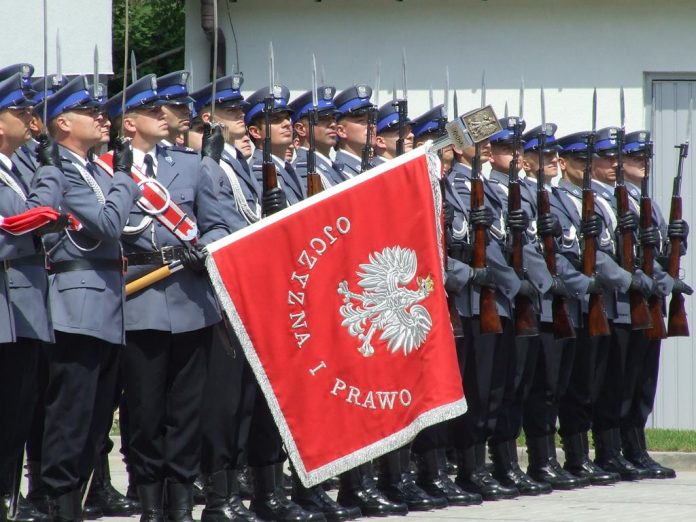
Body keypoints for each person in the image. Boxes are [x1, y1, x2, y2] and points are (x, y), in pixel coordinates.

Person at [103, 74, 229, 522]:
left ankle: (180, 502)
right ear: (129, 123)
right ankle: (150, 501)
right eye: (153, 111)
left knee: (187, 409)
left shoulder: (190, 165)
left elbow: (217, 223)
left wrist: (207, 246)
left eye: (164, 109)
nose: (165, 116)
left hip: (191, 301)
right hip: (139, 301)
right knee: (144, 409)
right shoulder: (109, 168)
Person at [39, 75, 141, 522]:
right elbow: (107, 224)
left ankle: (77, 497)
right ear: (63, 122)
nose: (104, 119)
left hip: (106, 306)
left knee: (97, 418)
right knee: (72, 415)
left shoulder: (86, 168)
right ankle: (60, 504)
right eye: (92, 112)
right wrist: (124, 177)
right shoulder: (62, 168)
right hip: (77, 305)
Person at [618, 130, 689, 478]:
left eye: (645, 158)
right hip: (627, 303)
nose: (643, 164)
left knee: (644, 382)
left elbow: (662, 255)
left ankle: (636, 447)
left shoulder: (649, 204)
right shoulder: (618, 202)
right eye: (635, 158)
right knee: (623, 380)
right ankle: (616, 450)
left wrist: (678, 240)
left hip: (652, 303)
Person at [289, 85, 346, 190]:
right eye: (323, 118)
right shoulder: (303, 169)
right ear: (301, 129)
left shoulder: (331, 167)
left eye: (334, 118)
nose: (333, 124)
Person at [333, 85, 375, 177]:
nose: (371, 126)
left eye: (371, 120)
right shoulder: (339, 174)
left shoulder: (372, 168)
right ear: (341, 131)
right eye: (361, 121)